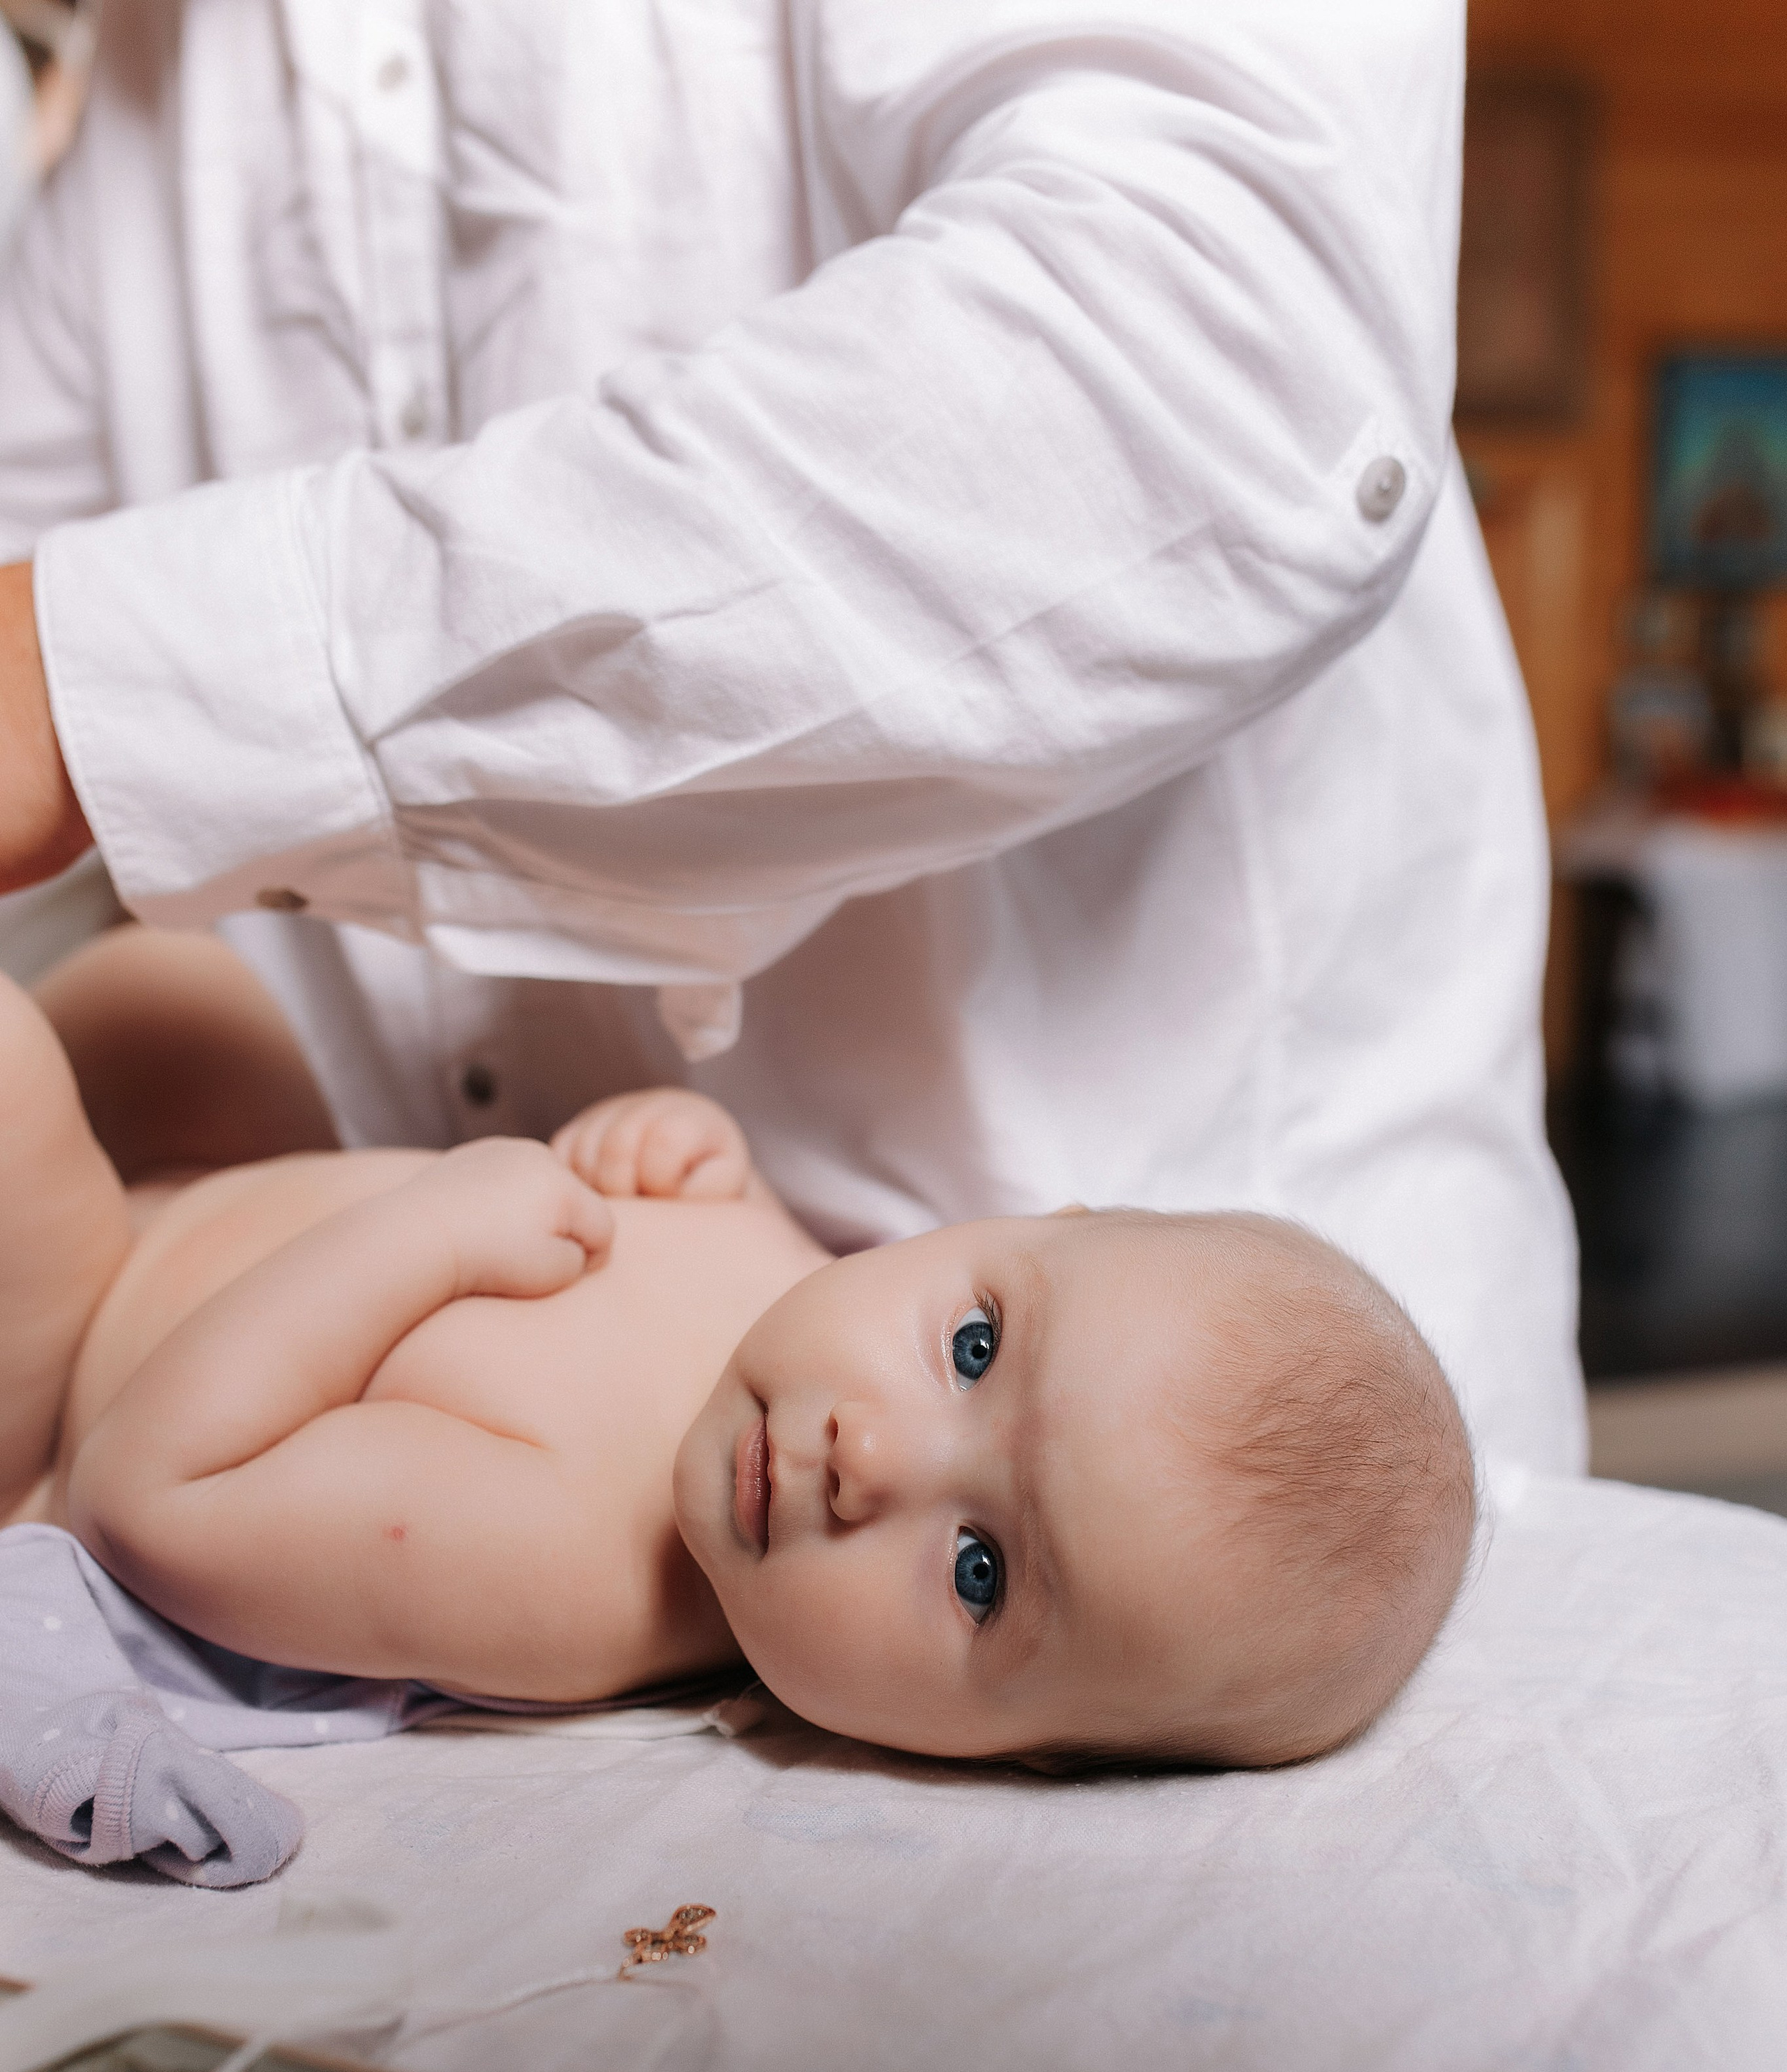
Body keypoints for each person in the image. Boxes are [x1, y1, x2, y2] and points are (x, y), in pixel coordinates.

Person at [0, 0, 1582, 1485]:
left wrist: (101, 685)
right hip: (418, 1525)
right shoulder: (155, 64)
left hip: (1162, 1554)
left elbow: (1209, 370)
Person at [2, 942, 1473, 1768]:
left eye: (981, 1571)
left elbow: (155, 1491)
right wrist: (685, 1153)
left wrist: (440, 1235)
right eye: (973, 1344)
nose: (871, 1458)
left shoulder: (574, 1580)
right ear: (1027, 1219)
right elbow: (677, 1249)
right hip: (209, 1197)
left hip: (67, 1382)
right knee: (181, 986)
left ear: (1003, 1756)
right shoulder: (797, 1326)